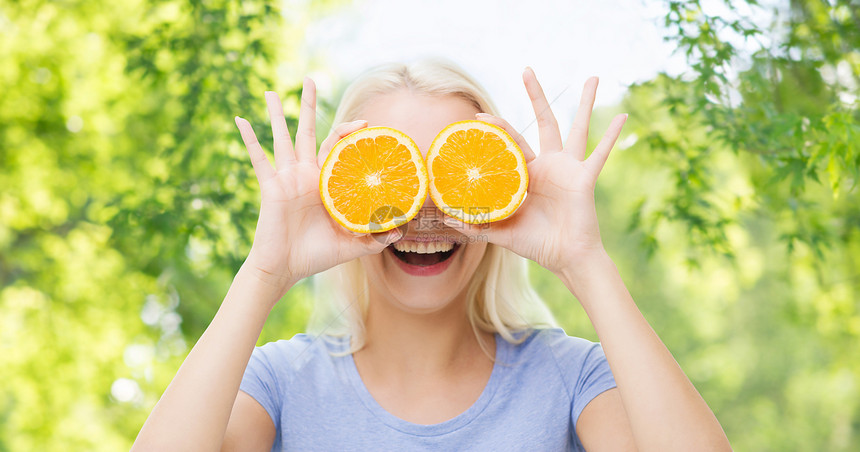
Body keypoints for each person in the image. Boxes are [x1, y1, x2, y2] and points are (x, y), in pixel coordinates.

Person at [131, 59, 732, 451]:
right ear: (338, 193)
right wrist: (265, 273)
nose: (422, 212)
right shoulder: (280, 383)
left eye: (453, 175)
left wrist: (585, 262)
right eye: (392, 177)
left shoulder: (573, 379)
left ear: (503, 190)